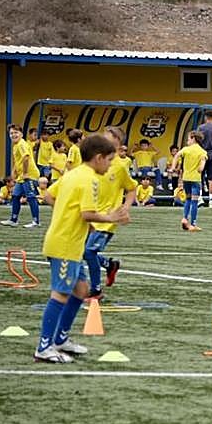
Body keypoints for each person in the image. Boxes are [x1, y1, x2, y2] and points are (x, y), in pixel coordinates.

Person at [34, 133, 131, 363]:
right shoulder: (90, 179)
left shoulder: (73, 173)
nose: (110, 165)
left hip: (69, 241)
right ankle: (44, 347)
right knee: (61, 293)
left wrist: (67, 214)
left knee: (81, 289)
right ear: (98, 158)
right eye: (109, 160)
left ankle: (60, 339)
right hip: (66, 244)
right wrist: (111, 217)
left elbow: (49, 195)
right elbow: (87, 213)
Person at [82, 126, 136, 299]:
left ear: (119, 146)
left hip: (108, 218)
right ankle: (109, 264)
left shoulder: (119, 167)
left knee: (89, 252)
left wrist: (125, 208)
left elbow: (131, 189)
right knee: (83, 252)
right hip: (90, 215)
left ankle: (96, 290)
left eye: (111, 141)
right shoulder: (94, 162)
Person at [1, 123, 40, 228]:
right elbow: (19, 160)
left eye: (16, 132)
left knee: (31, 197)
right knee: (15, 195)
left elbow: (26, 158)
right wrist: (14, 171)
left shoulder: (22, 144)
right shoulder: (16, 145)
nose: (13, 135)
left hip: (29, 175)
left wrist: (26, 173)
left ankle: (36, 222)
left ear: (21, 134)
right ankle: (14, 220)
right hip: (21, 176)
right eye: (11, 133)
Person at [170, 131, 207, 231]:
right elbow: (203, 162)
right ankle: (193, 224)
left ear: (193, 138)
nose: (187, 141)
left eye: (188, 139)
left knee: (188, 199)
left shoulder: (186, 149)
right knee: (194, 201)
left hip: (186, 179)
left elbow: (176, 156)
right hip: (195, 179)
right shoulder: (202, 151)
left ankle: (185, 218)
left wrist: (173, 167)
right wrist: (201, 168)